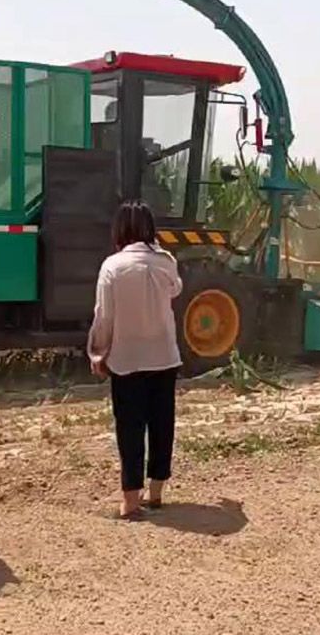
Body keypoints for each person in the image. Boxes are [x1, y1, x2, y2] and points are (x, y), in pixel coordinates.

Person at [87, 200, 183, 519]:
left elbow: (104, 317)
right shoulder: (166, 262)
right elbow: (176, 290)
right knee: (161, 424)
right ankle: (156, 493)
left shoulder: (111, 267)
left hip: (127, 359)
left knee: (130, 427)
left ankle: (130, 500)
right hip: (164, 356)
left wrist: (98, 353)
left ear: (119, 230)